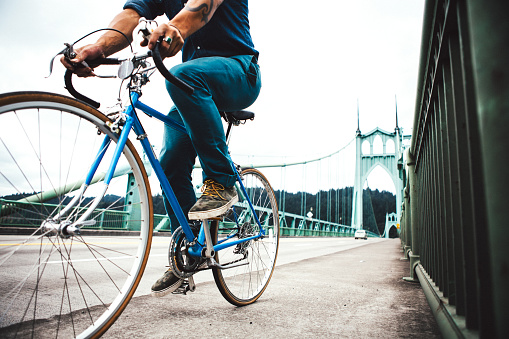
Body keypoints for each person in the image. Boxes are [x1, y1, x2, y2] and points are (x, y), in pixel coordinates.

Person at [61, 0, 261, 297]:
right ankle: (192, 250)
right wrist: (99, 48)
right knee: (170, 163)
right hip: (197, 85)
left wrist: (175, 27)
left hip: (240, 72)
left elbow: (204, 4)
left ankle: (222, 182)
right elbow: (130, 16)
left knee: (183, 74)